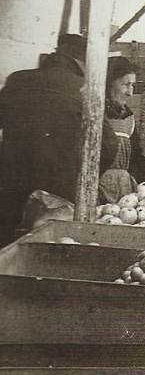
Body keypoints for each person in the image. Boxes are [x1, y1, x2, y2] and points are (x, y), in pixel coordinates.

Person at [0, 34, 118, 247]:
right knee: (47, 252)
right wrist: (80, 177)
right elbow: (109, 145)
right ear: (83, 62)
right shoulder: (84, 88)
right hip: (59, 194)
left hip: (11, 190)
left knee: (8, 255)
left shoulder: (17, 80)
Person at [99, 56, 144, 204]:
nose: (130, 92)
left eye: (133, 85)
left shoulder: (127, 117)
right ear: (109, 84)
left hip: (123, 191)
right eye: (126, 84)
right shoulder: (93, 114)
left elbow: (136, 157)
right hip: (97, 188)